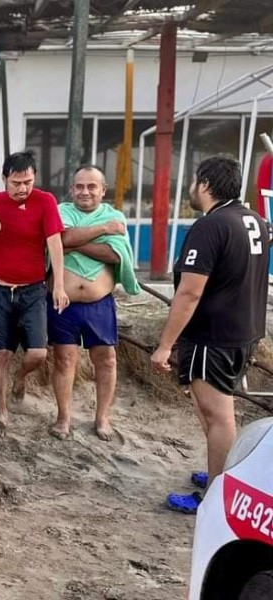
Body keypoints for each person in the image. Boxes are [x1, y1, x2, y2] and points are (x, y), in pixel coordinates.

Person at [151, 156, 270, 514]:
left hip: (214, 336)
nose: (190, 188)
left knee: (217, 415)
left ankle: (217, 497)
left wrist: (165, 346)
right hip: (244, 330)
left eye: (193, 181)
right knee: (217, 413)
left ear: (204, 184)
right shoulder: (254, 220)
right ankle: (218, 473)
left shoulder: (211, 225)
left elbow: (189, 292)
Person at [48, 165, 140, 441]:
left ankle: (102, 418)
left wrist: (73, 242)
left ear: (103, 190)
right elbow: (60, 238)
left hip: (99, 303)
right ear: (71, 189)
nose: (84, 191)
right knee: (64, 359)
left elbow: (115, 253)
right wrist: (100, 230)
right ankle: (64, 417)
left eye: (91, 186)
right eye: (79, 186)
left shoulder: (115, 216)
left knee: (106, 360)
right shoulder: (61, 212)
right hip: (63, 301)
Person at [0, 150, 69, 435]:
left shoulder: (45, 201)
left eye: (28, 182)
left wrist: (58, 285)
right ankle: (3, 412)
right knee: (1, 354)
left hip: (33, 290)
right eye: (16, 183)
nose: (22, 189)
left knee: (37, 353)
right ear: (4, 179)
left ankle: (20, 379)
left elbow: (55, 245)